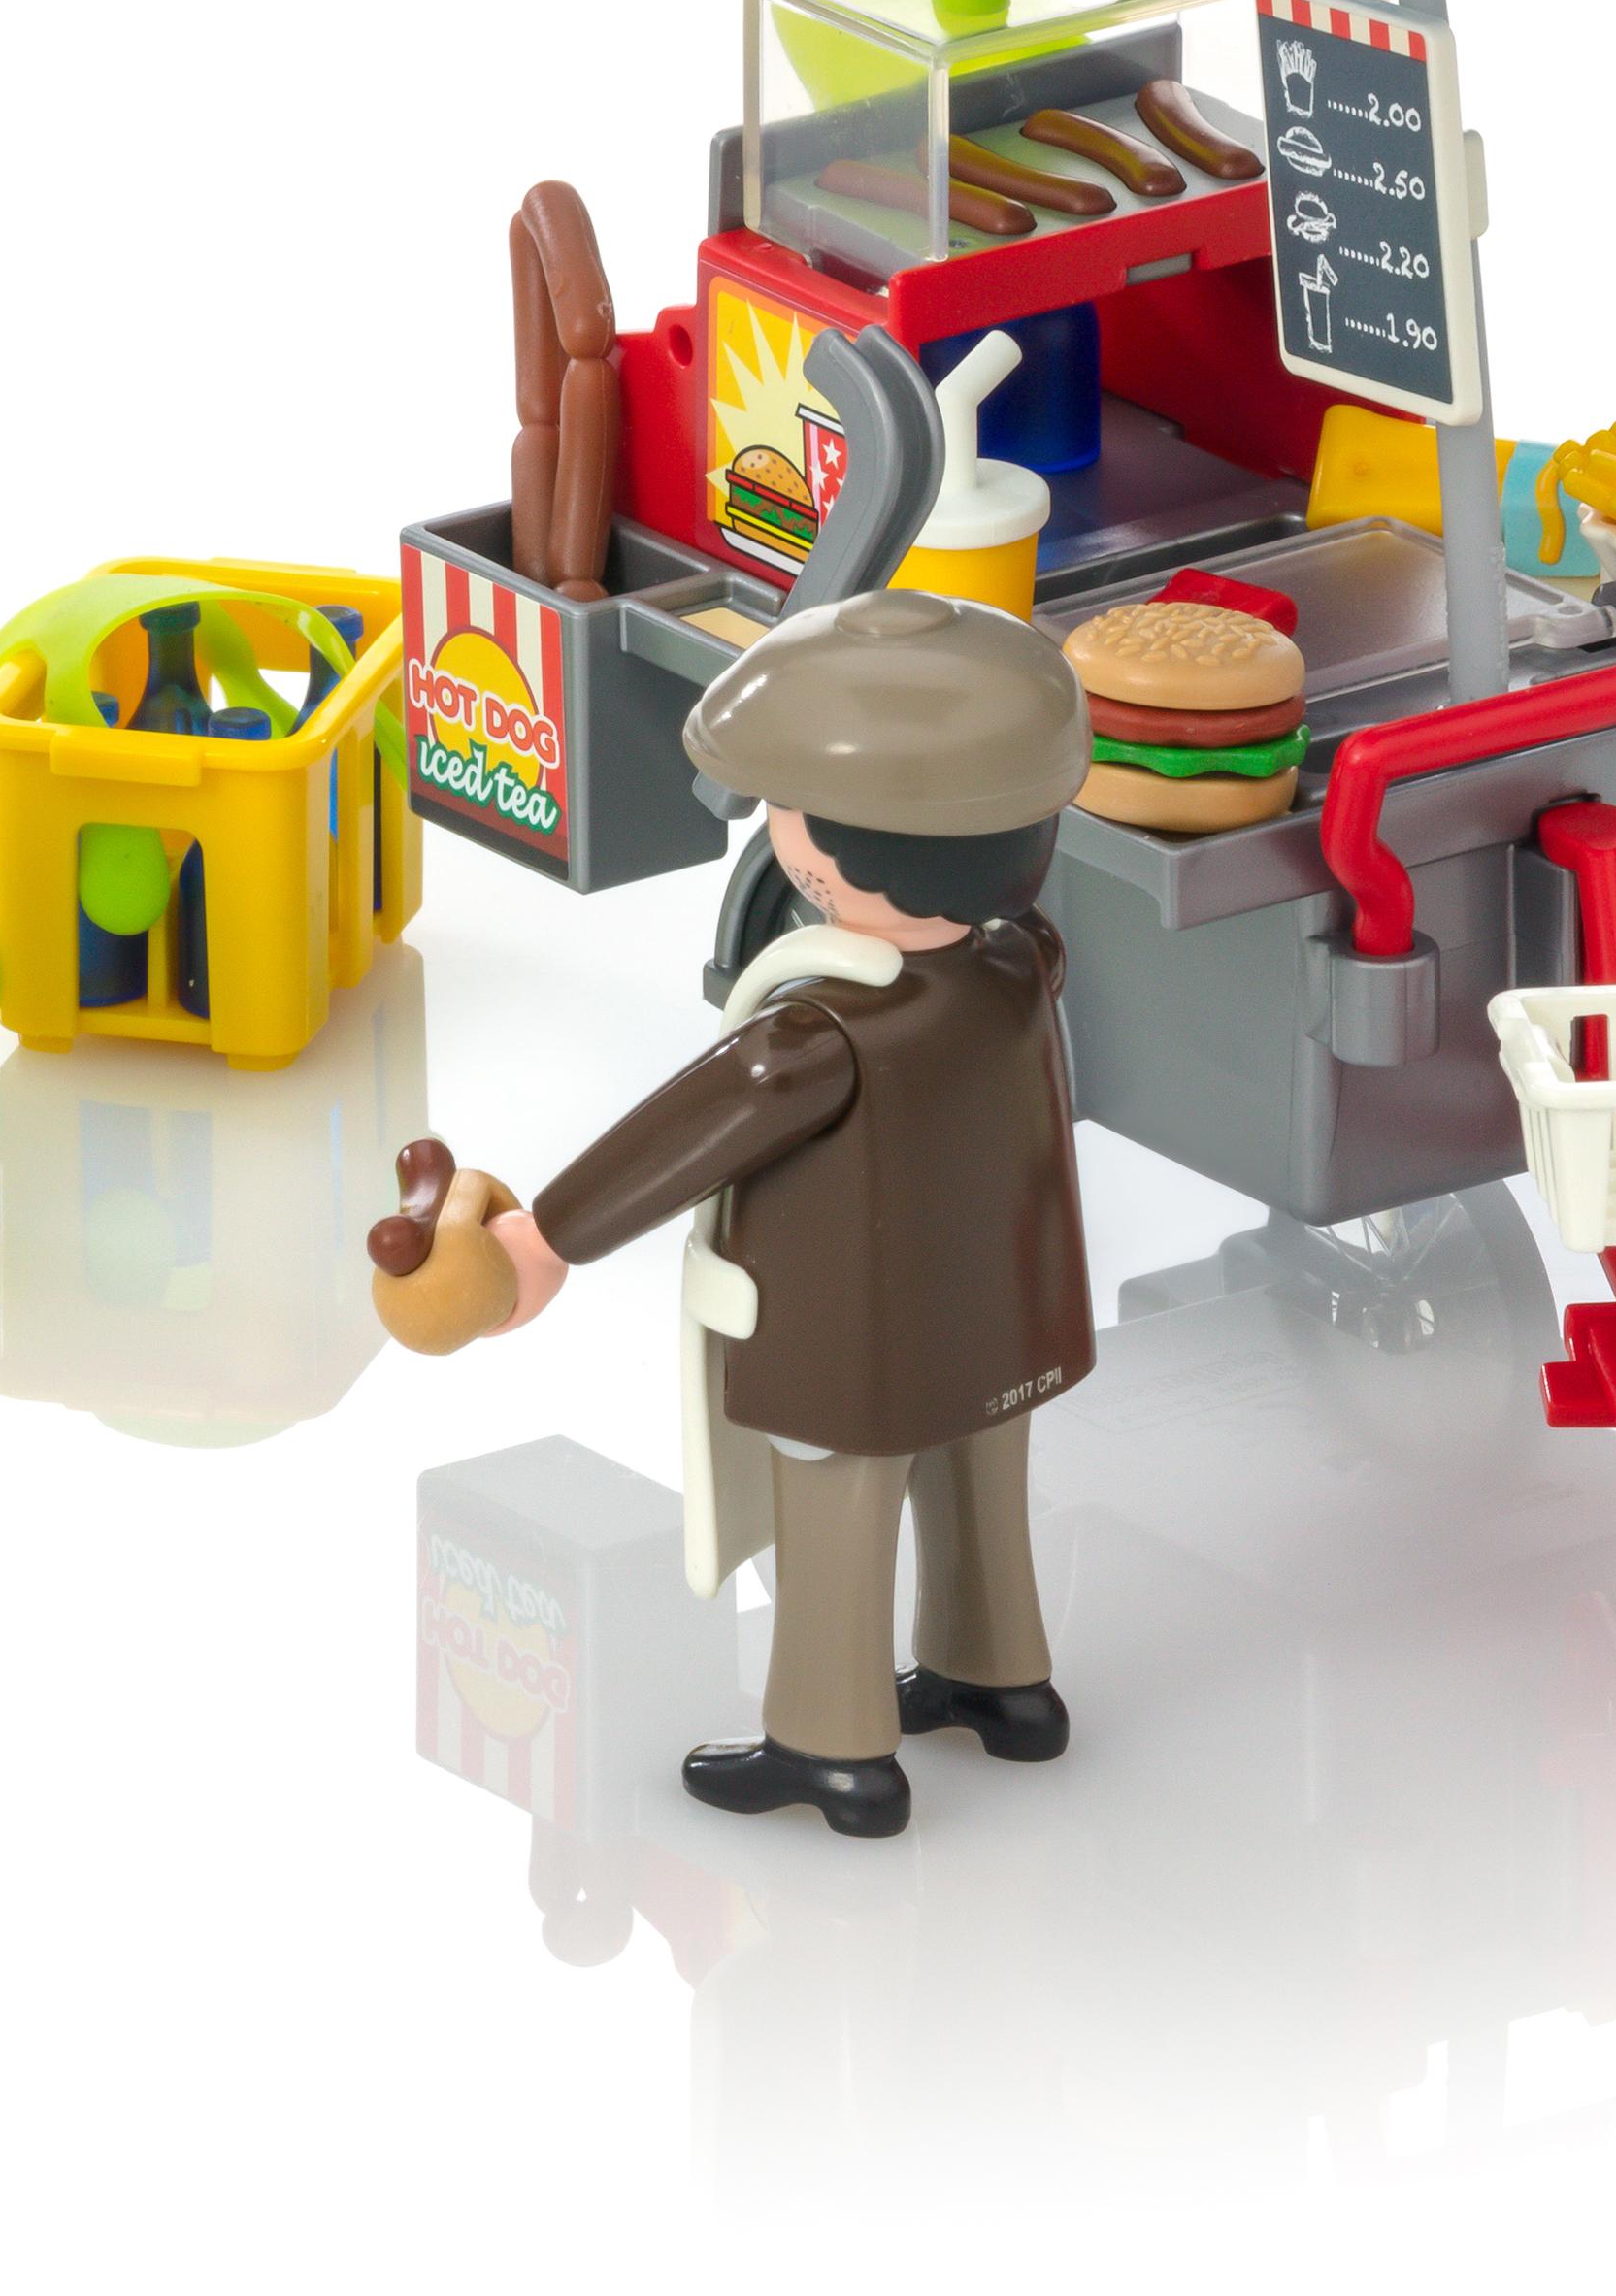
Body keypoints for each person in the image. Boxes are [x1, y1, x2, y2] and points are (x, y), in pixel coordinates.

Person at [376, 589, 1099, 1837]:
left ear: (860, 845)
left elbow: (677, 1137)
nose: (777, 828)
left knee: (838, 1524)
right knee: (982, 1488)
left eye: (793, 810)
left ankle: (834, 1746)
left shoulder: (819, 1033)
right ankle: (1001, 1682)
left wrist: (540, 1240)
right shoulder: (1020, 959)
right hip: (1002, 1320)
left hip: (856, 1344)